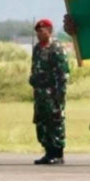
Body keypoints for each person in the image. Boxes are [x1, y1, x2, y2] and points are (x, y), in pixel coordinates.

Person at [29, 19, 69, 164]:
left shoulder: (56, 48)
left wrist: (60, 93)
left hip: (53, 93)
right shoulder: (37, 48)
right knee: (42, 122)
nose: (39, 34)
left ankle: (57, 153)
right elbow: (34, 67)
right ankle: (48, 151)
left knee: (55, 122)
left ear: (49, 30)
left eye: (42, 31)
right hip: (40, 93)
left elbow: (62, 73)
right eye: (38, 31)